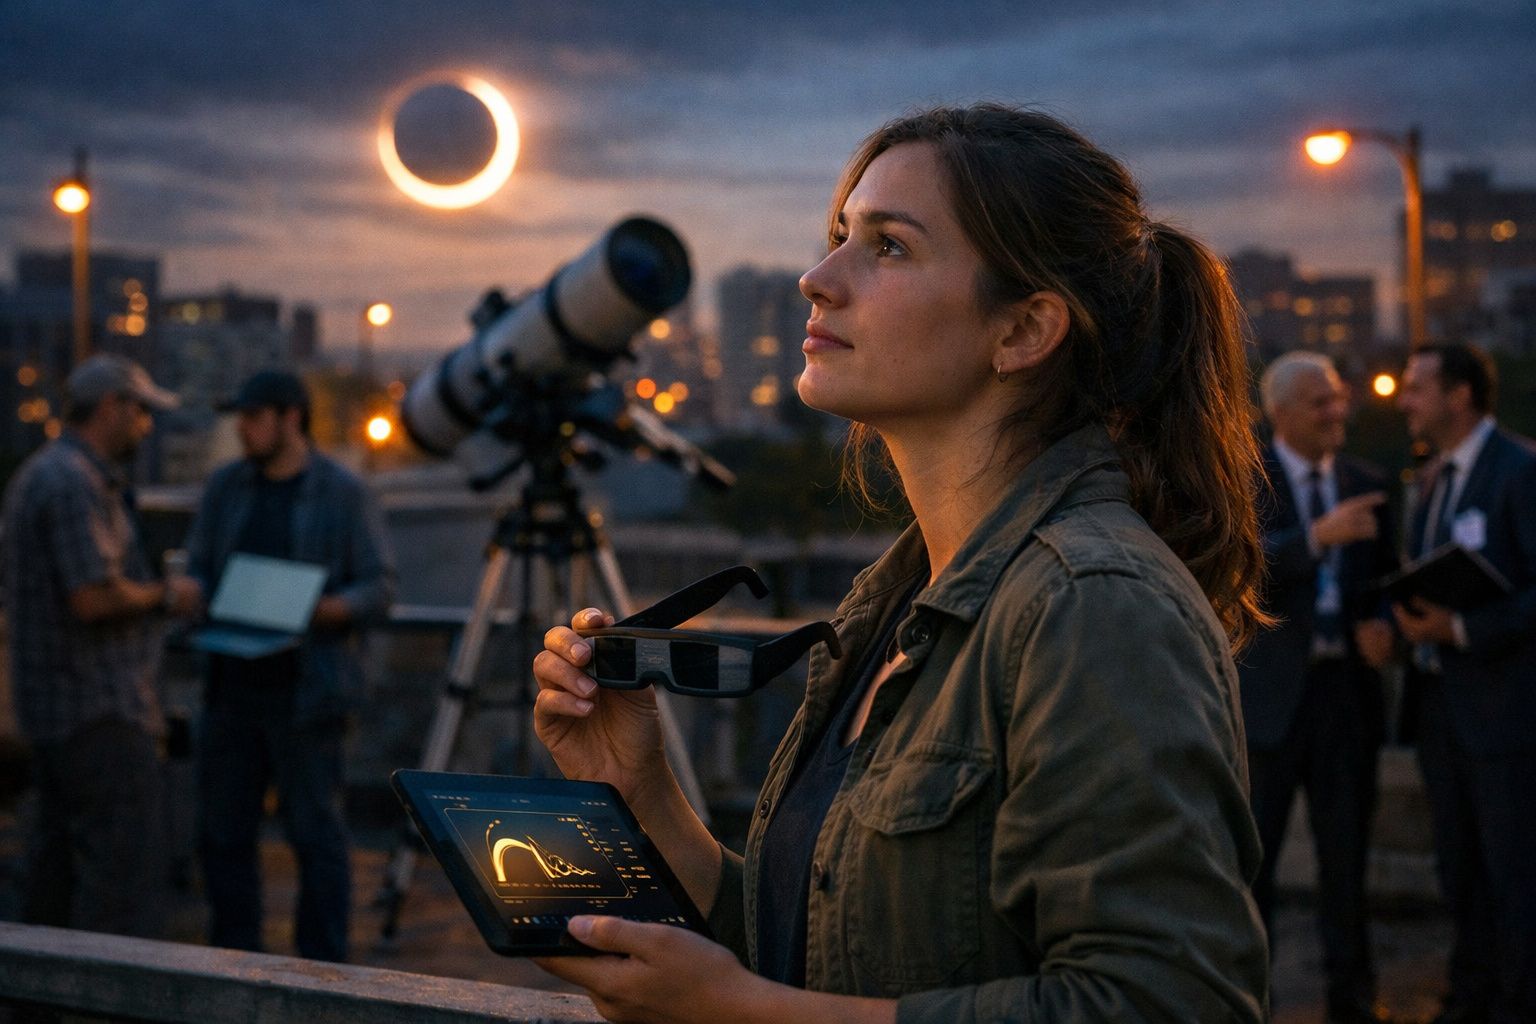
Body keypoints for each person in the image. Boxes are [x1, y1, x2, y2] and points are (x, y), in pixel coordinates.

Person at [530, 104, 1270, 1022]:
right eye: (840, 237)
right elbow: (811, 954)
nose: (816, 279)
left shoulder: (1093, 604)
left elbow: (1168, 1003)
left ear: (1023, 331)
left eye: (888, 247)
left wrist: (741, 1015)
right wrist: (642, 794)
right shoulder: (896, 605)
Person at [184, 369, 395, 962]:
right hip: (230, 689)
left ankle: (322, 972)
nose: (242, 429)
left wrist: (325, 609)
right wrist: (195, 592)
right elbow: (200, 564)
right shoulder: (226, 487)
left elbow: (378, 588)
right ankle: (233, 963)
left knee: (316, 837)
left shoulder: (342, 493)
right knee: (223, 836)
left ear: (291, 417)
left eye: (253, 417)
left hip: (307, 694)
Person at [1, 354, 200, 937]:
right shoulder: (73, 483)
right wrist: (167, 595)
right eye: (141, 412)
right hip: (98, 716)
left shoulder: (44, 473)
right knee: (121, 886)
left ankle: (40, 986)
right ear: (111, 407)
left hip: (56, 716)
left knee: (54, 880)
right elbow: (91, 597)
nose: (147, 426)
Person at [1239, 352, 1397, 1024]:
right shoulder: (1245, 478)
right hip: (1270, 703)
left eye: (1337, 398)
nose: (1337, 412)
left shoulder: (1368, 480)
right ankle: (1252, 1002)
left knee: (1346, 861)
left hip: (1346, 697)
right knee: (1254, 868)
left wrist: (1387, 624)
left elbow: (1387, 579)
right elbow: (1235, 568)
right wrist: (1315, 539)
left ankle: (1353, 1001)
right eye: (1319, 402)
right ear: (1278, 413)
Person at [1393, 344, 1536, 1024]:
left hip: (1504, 713)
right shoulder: (1431, 478)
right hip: (1439, 708)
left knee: (1513, 872)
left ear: (1460, 395)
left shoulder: (1520, 471)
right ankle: (1470, 995)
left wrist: (1461, 629)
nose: (1405, 401)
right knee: (1458, 870)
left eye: (1417, 387)